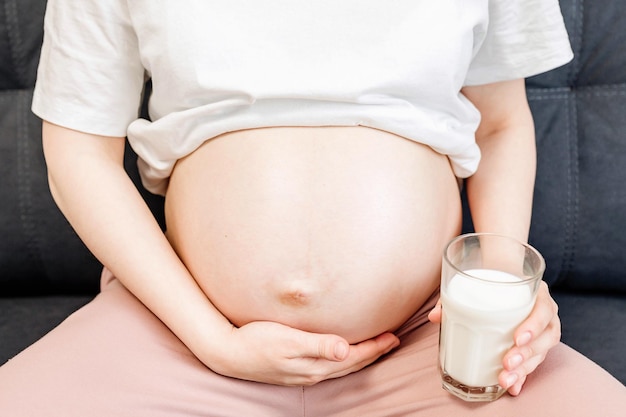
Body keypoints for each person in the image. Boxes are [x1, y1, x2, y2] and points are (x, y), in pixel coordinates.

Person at [1, 0, 625, 416]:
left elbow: (499, 124)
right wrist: (214, 341)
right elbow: (79, 152)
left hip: (432, 345)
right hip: (178, 333)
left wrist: (499, 288)